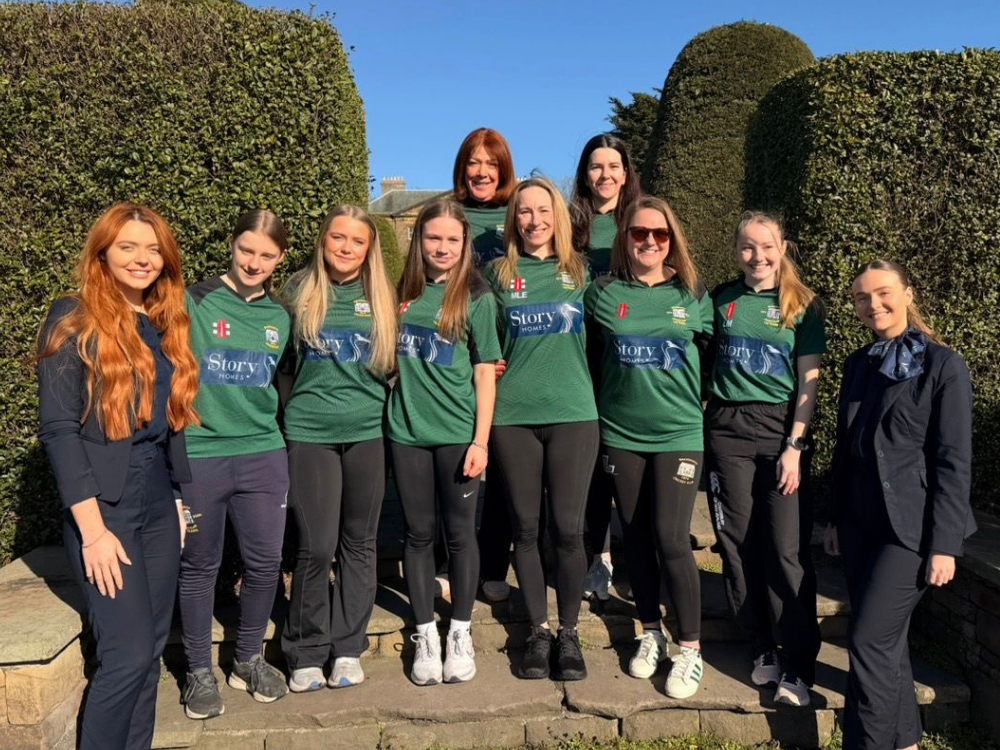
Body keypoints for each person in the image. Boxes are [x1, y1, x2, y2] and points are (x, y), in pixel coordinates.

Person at [37, 203, 199, 750]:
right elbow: (59, 431)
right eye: (128, 246)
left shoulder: (164, 324)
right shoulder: (72, 317)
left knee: (151, 652)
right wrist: (93, 530)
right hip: (104, 509)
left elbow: (171, 424)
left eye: (153, 249)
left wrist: (179, 502)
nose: (142, 258)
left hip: (158, 501)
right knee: (125, 655)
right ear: (102, 252)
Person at [825, 260, 975, 750]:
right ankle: (907, 743)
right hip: (859, 522)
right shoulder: (858, 364)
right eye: (862, 299)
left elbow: (954, 460)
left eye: (884, 293)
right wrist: (832, 516)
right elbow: (844, 448)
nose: (874, 305)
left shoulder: (943, 366)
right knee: (887, 645)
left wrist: (945, 545)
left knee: (868, 640)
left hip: (911, 530)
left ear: (907, 293)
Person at [584, 197, 712, 698]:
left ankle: (691, 650)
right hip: (622, 434)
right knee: (635, 535)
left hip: (679, 435)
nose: (650, 242)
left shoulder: (693, 293)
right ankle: (651, 633)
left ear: (672, 240)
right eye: (639, 234)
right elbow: (584, 355)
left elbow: (715, 355)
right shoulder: (603, 293)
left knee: (672, 537)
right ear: (625, 238)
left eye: (660, 235)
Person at [705, 210, 823, 706]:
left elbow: (808, 382)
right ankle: (762, 648)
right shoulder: (721, 299)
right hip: (727, 429)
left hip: (780, 433)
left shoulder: (804, 304)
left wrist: (794, 446)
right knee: (736, 543)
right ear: (737, 251)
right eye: (748, 247)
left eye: (767, 246)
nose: (757, 256)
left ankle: (798, 663)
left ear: (783, 247)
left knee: (784, 550)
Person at [178, 210, 292, 719]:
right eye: (247, 250)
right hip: (201, 454)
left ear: (280, 259)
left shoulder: (280, 317)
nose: (254, 262)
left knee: (266, 564)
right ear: (232, 244)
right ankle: (198, 671)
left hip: (264, 455)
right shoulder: (194, 300)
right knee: (200, 565)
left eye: (267, 255)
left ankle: (247, 658)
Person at [485, 177, 599, 681]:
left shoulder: (583, 273)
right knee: (526, 529)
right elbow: (477, 340)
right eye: (523, 212)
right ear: (513, 220)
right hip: (513, 419)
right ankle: (538, 631)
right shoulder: (495, 274)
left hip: (575, 414)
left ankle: (570, 633)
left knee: (569, 530)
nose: (533, 221)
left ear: (558, 216)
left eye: (542, 211)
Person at [279, 206, 397, 692]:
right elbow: (281, 366)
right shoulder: (296, 292)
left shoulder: (383, 298)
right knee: (316, 544)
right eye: (338, 238)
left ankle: (348, 648)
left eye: (357, 241)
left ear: (369, 250)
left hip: (368, 434)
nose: (346, 248)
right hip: (310, 435)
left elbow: (397, 369)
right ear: (322, 240)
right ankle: (306, 649)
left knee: (359, 544)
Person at [388, 199, 501, 685]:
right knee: (416, 535)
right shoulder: (401, 294)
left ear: (464, 245)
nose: (442, 247)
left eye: (452, 240)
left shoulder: (476, 297)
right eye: (434, 238)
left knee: (459, 536)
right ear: (419, 241)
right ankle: (424, 635)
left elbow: (484, 373)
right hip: (407, 433)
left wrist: (481, 441)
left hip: (458, 437)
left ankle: (459, 630)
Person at [569, 133, 642, 600]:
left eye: (614, 165)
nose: (605, 175)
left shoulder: (642, 221)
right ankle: (597, 555)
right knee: (593, 462)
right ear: (585, 173)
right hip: (581, 353)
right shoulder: (568, 224)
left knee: (632, 460)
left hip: (631, 357)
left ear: (626, 172)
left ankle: (636, 560)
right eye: (597, 166)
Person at [451, 127, 520, 604]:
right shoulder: (449, 214)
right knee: (454, 456)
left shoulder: (516, 215)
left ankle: (494, 561)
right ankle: (446, 558)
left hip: (511, 356)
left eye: (490, 163)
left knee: (503, 464)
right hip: (459, 356)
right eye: (473, 162)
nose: (481, 171)